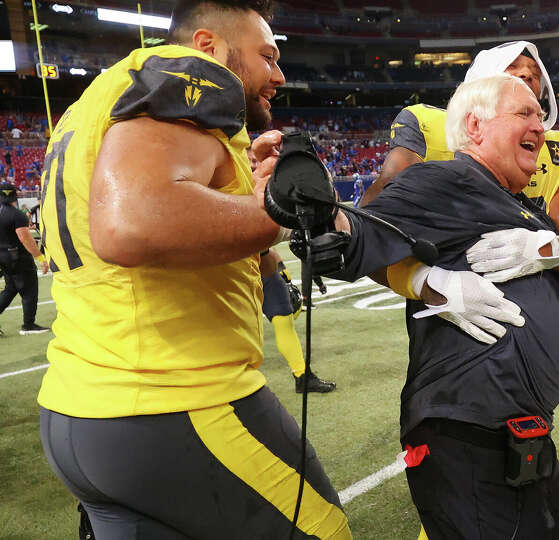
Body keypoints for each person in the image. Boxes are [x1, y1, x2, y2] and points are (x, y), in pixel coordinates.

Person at [303, 73, 559, 539]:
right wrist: (318, 210)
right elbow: (356, 233)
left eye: (540, 116)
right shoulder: (443, 178)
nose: (541, 127)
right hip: (464, 433)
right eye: (524, 113)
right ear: (475, 125)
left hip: (524, 436)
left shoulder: (526, 208)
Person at [35, 1, 350, 538]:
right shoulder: (185, 73)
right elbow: (129, 223)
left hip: (79, 406)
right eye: (267, 56)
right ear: (208, 46)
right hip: (174, 401)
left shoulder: (100, 96)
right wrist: (275, 209)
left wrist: (243, 182)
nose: (279, 73)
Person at [361, 40, 559, 273]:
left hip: (536, 296)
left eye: (535, 73)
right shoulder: (427, 125)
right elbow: (370, 227)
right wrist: (422, 283)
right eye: (512, 66)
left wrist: (542, 249)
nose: (527, 74)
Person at [260, 247, 336, 393]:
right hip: (241, 265)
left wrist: (280, 265)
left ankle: (302, 375)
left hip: (254, 263)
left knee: (283, 319)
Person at [0, 182, 49, 336]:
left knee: (11, 289)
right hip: (18, 258)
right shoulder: (17, 215)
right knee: (29, 290)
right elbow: (25, 239)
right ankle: (28, 325)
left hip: (3, 257)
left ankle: (28, 324)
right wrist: (41, 258)